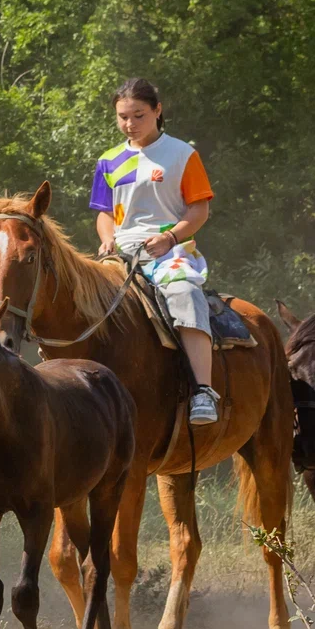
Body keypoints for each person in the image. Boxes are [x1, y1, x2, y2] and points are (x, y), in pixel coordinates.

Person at [90, 78, 219, 425]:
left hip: (167, 252)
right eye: (123, 117)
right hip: (120, 253)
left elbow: (198, 210)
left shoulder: (181, 154)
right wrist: (107, 239)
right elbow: (104, 213)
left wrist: (171, 238)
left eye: (139, 115)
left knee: (185, 290)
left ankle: (203, 392)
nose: (130, 124)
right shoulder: (109, 160)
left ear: (158, 111)